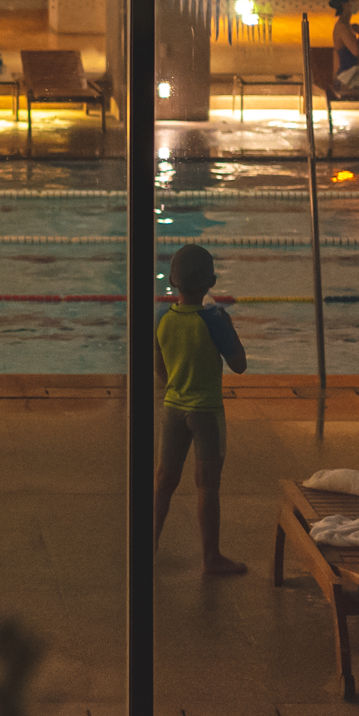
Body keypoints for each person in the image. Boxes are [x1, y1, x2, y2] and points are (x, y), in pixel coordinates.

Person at [151, 242, 248, 576]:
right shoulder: (215, 320)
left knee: (164, 479)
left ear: (172, 282)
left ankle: (149, 543)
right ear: (212, 282)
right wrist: (226, 325)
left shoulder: (163, 319)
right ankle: (211, 557)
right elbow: (239, 365)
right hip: (206, 411)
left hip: (172, 409)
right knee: (207, 485)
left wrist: (178, 386)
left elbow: (160, 368)